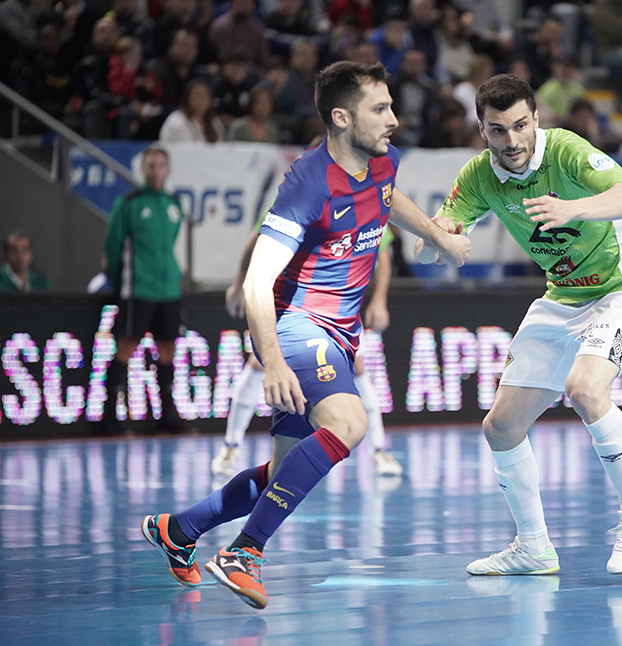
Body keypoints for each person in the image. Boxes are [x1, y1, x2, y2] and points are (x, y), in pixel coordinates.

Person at [141, 61, 469, 610]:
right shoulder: (307, 183)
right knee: (350, 422)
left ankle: (180, 529)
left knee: (283, 470)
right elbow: (256, 282)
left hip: (340, 333)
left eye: (391, 106)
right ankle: (244, 553)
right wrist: (270, 361)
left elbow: (389, 201)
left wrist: (436, 233)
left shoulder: (380, 162)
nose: (394, 119)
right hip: (296, 324)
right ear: (341, 118)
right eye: (380, 109)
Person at [416, 74, 622, 577]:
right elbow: (442, 236)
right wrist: (438, 238)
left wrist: (570, 207)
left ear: (536, 118)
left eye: (521, 126)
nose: (513, 141)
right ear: (482, 131)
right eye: (498, 130)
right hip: (561, 299)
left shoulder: (568, 152)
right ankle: (533, 548)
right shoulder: (480, 174)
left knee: (585, 388)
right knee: (501, 426)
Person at [211, 220, 403, 478]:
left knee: (356, 367)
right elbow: (255, 240)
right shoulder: (297, 196)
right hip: (289, 299)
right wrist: (239, 283)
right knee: (259, 363)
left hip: (336, 303)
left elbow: (383, 256)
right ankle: (230, 447)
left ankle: (379, 450)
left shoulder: (368, 200)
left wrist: (379, 300)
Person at [102, 145, 189, 435]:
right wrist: (120, 283)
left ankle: (166, 416)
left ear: (168, 170)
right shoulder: (129, 203)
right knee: (126, 346)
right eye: (150, 166)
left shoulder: (174, 204)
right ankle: (110, 417)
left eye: (160, 165)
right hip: (138, 288)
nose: (155, 171)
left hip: (168, 290)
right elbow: (112, 247)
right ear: (143, 169)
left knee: (167, 349)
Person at [159, 77, 224, 142]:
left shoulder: (214, 121)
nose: (202, 100)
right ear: (187, 98)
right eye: (197, 96)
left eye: (205, 96)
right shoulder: (177, 121)